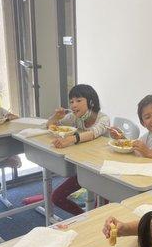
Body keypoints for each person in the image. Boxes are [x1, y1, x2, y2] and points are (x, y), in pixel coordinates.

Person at [46, 84, 110, 215]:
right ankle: (84, 218)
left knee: (101, 212)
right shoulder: (74, 117)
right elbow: (50, 126)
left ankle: (93, 220)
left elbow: (93, 133)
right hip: (84, 169)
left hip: (104, 173)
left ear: (91, 102)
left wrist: (70, 139)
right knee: (56, 197)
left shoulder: (103, 118)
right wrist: (55, 117)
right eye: (71, 102)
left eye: (78, 100)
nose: (73, 105)